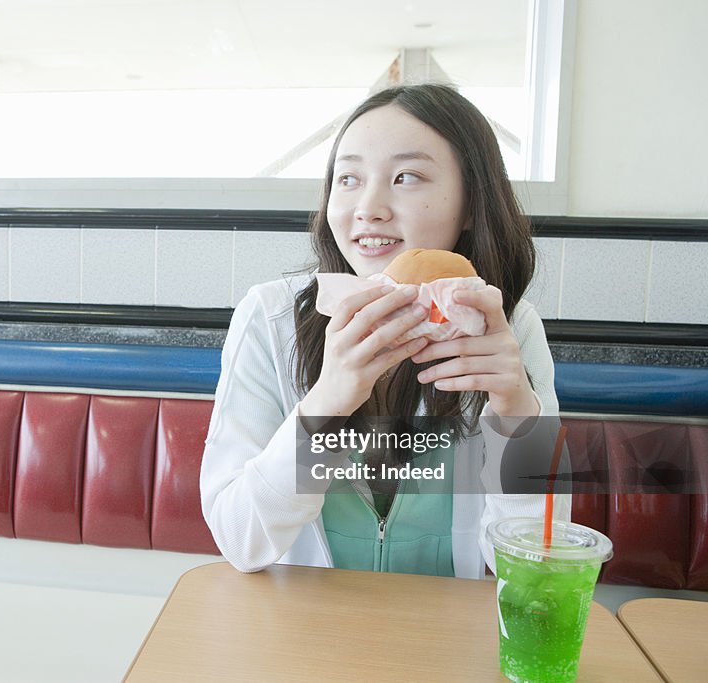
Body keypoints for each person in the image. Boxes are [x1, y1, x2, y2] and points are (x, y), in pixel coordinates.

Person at [199, 83, 570, 578]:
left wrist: (518, 416)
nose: (367, 207)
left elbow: (536, 567)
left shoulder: (508, 329)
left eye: (407, 176)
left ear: (472, 205)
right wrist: (327, 402)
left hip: (445, 637)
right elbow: (240, 540)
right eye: (348, 178)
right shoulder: (269, 319)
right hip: (298, 631)